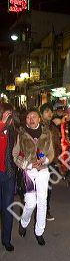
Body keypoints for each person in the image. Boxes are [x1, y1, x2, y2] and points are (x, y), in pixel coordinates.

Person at [13, 109, 54, 246]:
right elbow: (15, 155)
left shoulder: (47, 133)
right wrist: (28, 165)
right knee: (30, 203)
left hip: (43, 171)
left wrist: (45, 161)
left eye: (34, 116)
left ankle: (39, 232)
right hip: (29, 172)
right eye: (29, 117)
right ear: (26, 120)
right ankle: (24, 222)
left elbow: (51, 153)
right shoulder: (21, 134)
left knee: (42, 201)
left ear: (39, 119)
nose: (31, 119)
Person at [40, 102, 62, 221]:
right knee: (40, 188)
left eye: (50, 111)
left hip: (52, 161)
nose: (50, 113)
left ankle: (46, 210)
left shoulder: (53, 127)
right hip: (41, 163)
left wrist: (56, 159)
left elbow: (57, 143)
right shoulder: (38, 126)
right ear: (41, 114)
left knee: (48, 188)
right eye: (46, 111)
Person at [0, 103, 17, 251]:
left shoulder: (13, 132)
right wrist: (1, 124)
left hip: (9, 174)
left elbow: (19, 152)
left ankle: (6, 239)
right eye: (5, 113)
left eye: (10, 114)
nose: (8, 116)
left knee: (8, 209)